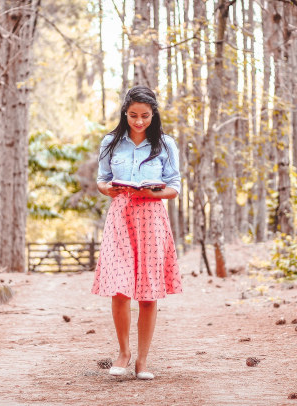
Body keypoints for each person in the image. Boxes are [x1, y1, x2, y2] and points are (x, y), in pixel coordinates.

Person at [91, 86, 183, 380]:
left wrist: (156, 192)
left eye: (144, 116)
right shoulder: (110, 142)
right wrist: (109, 188)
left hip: (151, 217)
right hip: (120, 217)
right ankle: (123, 352)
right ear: (125, 113)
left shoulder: (166, 144)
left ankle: (143, 361)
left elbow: (175, 186)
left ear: (153, 114)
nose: (139, 121)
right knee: (120, 287)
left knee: (147, 291)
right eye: (133, 115)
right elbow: (102, 180)